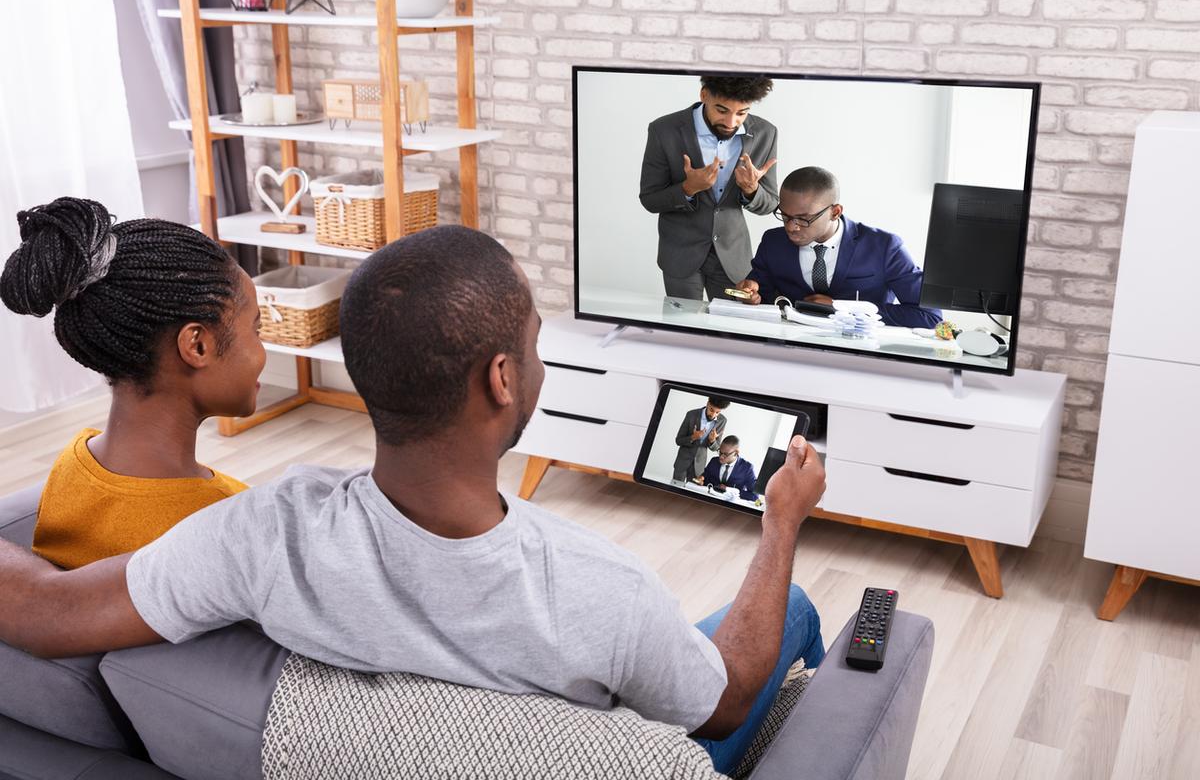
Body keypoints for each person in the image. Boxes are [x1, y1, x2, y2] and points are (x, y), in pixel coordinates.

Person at [0, 225, 826, 776]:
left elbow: (40, 608)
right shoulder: (607, 590)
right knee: (788, 609)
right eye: (532, 346)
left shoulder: (253, 535)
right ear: (502, 381)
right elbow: (721, 706)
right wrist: (780, 519)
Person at [0, 197, 263, 569]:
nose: (261, 350)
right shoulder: (228, 519)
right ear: (197, 345)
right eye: (256, 329)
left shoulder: (72, 465)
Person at [735, 167, 942, 328]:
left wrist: (846, 310)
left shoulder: (884, 247)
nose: (791, 227)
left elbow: (930, 316)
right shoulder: (773, 242)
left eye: (804, 219)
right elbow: (760, 294)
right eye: (785, 216)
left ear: (835, 212)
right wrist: (750, 294)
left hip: (861, 358)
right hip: (789, 353)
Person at [640, 75, 779, 302]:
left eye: (742, 113)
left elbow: (770, 203)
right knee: (684, 329)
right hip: (680, 255)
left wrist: (751, 190)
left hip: (733, 257)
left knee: (730, 329)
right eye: (722, 110)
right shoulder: (663, 130)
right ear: (704, 95)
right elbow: (650, 199)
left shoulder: (765, 133)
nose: (731, 122)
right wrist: (688, 188)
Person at [672, 396, 728, 484]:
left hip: (699, 466)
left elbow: (716, 448)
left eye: (717, 412)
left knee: (691, 493)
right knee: (675, 489)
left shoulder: (722, 421)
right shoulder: (691, 414)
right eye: (711, 410)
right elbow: (678, 440)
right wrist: (693, 437)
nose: (713, 415)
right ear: (708, 403)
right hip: (682, 462)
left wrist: (712, 441)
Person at [697, 436, 758, 501]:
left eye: (725, 454)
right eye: (720, 452)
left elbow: (754, 496)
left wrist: (729, 490)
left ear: (736, 453)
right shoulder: (714, 461)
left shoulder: (747, 468)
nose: (721, 457)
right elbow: (704, 479)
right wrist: (700, 480)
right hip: (709, 500)